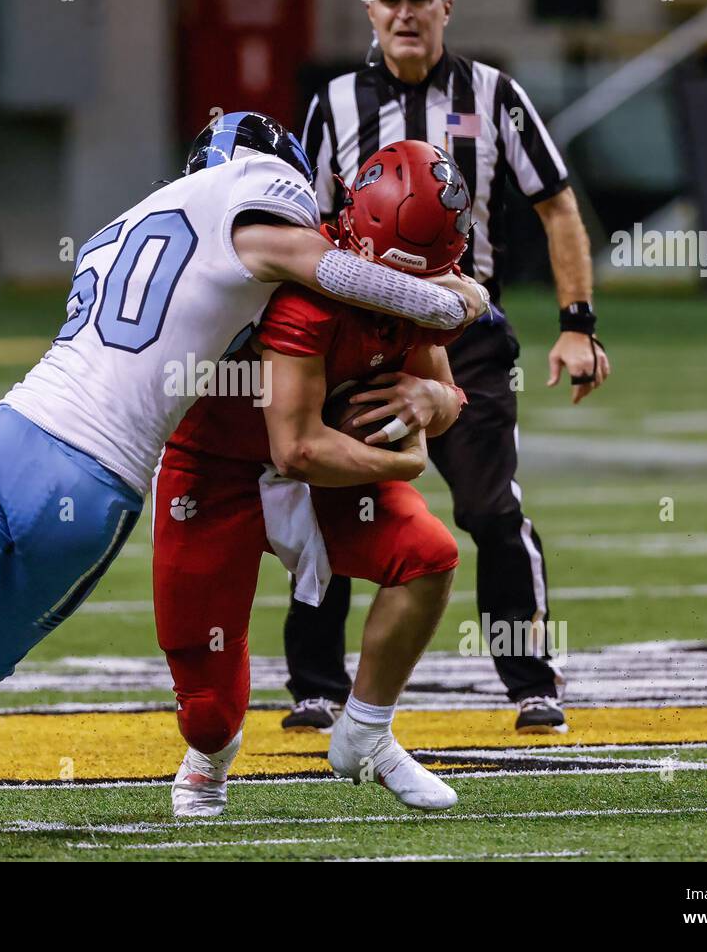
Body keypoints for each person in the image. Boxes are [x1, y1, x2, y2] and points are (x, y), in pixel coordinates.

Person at [0, 111, 490, 825]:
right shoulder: (266, 219)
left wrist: (434, 390)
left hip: (10, 431)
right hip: (100, 477)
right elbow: (398, 292)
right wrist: (471, 297)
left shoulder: (118, 228)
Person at [287, 0, 611, 736]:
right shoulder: (331, 104)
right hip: (358, 331)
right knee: (331, 498)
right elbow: (300, 219)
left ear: (446, 8)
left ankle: (531, 679)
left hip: (464, 329)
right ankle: (316, 686)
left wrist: (576, 326)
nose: (404, 12)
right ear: (369, 7)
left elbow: (557, 203)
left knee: (490, 508)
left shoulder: (495, 93)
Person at [155, 141, 472, 816]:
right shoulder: (302, 292)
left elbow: (445, 388)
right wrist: (403, 461)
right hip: (218, 472)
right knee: (208, 712)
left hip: (323, 466)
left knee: (429, 556)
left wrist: (434, 400)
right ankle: (207, 758)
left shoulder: (394, 277)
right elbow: (295, 448)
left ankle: (366, 732)